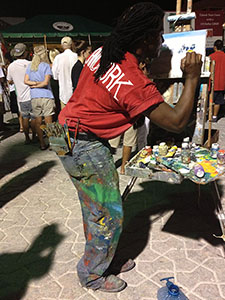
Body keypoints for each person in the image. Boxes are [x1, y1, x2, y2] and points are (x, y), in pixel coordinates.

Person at [58, 2, 202, 293]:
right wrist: (192, 77)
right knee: (105, 213)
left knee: (98, 208)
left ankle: (104, 259)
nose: (162, 43)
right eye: (159, 37)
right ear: (145, 39)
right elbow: (175, 122)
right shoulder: (130, 76)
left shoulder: (105, 51)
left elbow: (118, 91)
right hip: (82, 143)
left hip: (68, 134)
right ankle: (93, 274)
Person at [24, 45, 55, 150]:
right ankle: (52, 143)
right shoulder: (46, 66)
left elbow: (25, 81)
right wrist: (38, 83)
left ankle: (42, 143)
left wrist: (33, 84)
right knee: (49, 121)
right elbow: (46, 82)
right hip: (46, 95)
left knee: (38, 121)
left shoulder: (30, 67)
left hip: (34, 96)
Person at [7, 43, 36, 143]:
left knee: (24, 117)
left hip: (20, 96)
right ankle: (34, 136)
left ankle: (27, 138)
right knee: (33, 117)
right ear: (25, 53)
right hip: (32, 94)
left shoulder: (11, 66)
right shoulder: (30, 64)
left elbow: (9, 80)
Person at [52, 37, 77, 109]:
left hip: (64, 91)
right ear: (71, 44)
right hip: (76, 91)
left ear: (62, 45)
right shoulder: (76, 56)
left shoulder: (58, 58)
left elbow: (55, 76)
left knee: (65, 115)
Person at [209, 39, 225, 122]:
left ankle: (210, 115)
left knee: (211, 100)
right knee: (218, 101)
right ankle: (215, 116)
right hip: (222, 83)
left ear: (215, 47)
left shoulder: (211, 57)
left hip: (212, 82)